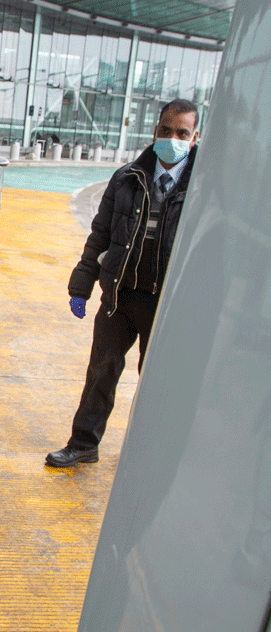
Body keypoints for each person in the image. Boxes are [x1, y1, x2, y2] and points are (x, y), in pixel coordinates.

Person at [46, 99, 199, 468]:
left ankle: (146, 457)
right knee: (101, 371)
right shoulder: (126, 178)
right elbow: (99, 235)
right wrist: (81, 285)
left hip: (166, 305)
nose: (172, 139)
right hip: (120, 296)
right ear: (155, 131)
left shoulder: (203, 189)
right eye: (166, 130)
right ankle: (84, 444)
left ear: (195, 138)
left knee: (156, 385)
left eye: (181, 133)